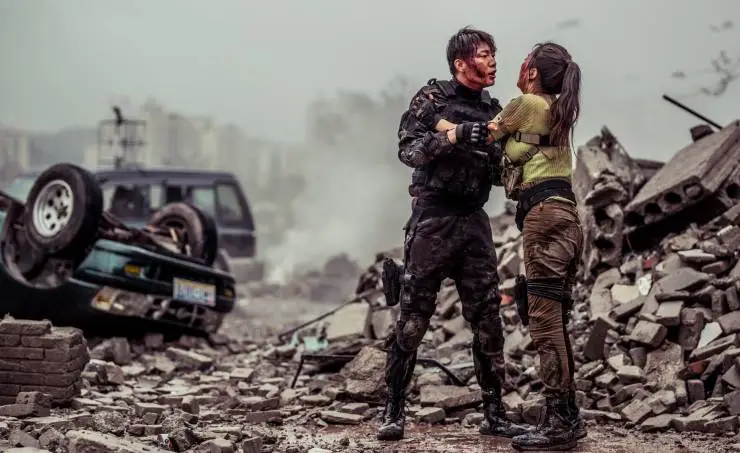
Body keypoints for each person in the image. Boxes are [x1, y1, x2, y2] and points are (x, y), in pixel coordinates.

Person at [377, 26, 533, 442]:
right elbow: (409, 151)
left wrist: (519, 159)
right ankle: (393, 410)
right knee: (413, 320)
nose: (493, 61)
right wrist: (453, 135)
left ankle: (494, 414)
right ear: (461, 63)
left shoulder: (494, 110)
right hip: (433, 219)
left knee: (488, 321)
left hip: (473, 221)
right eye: (483, 54)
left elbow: (501, 171)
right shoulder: (432, 100)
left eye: (494, 53)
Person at [481, 41, 585, 451]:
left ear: (533, 71)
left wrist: (439, 125)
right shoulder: (556, 108)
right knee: (555, 318)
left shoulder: (527, 103)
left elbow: (485, 133)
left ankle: (559, 423)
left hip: (543, 218)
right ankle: (569, 416)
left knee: (542, 320)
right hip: (566, 216)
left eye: (526, 59)